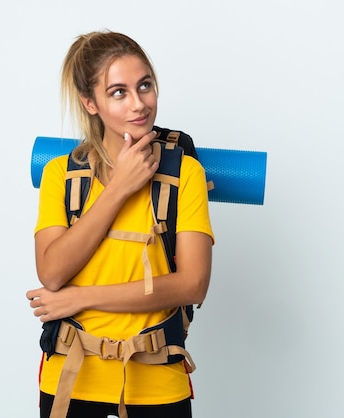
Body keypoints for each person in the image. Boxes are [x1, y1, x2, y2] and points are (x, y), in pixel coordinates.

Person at [26, 30, 214, 418]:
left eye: (145, 86)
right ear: (89, 102)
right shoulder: (60, 175)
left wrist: (82, 298)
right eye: (118, 92)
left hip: (157, 382)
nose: (139, 104)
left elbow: (193, 284)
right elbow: (52, 272)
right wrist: (119, 189)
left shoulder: (185, 174)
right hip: (71, 379)